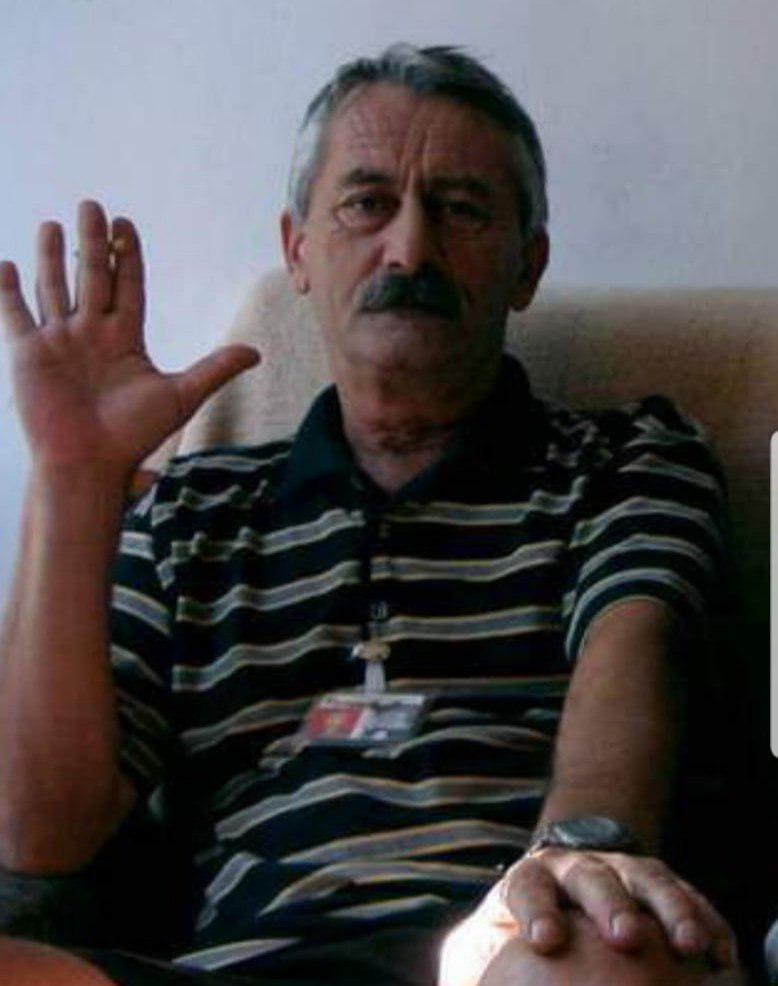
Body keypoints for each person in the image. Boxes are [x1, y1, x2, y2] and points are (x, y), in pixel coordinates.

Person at [0, 43, 748, 986]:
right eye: (366, 204)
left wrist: (576, 854)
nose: (409, 251)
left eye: (462, 209)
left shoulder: (625, 460)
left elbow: (637, 657)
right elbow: (41, 835)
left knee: (590, 951)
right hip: (234, 963)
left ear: (528, 264)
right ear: (297, 251)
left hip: (510, 942)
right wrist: (74, 479)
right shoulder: (194, 509)